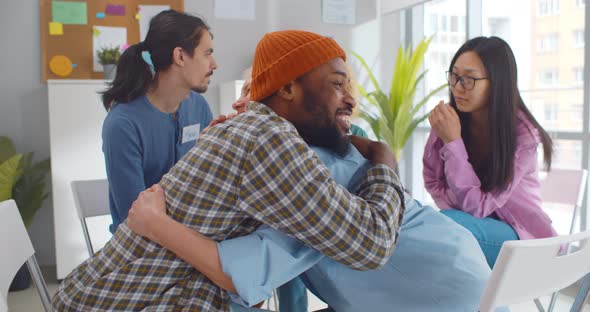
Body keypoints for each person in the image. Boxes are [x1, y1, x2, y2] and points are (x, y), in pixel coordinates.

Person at [52, 30, 405, 311]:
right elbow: (370, 244)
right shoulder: (269, 140)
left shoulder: (255, 129)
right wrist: (384, 160)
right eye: (337, 83)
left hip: (114, 292)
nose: (350, 98)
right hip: (123, 301)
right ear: (286, 88)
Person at [126, 69, 493, 312]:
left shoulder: (307, 170)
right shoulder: (339, 153)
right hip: (467, 280)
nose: (346, 98)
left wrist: (155, 223)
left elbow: (246, 271)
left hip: (439, 296)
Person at [423, 36, 557, 268]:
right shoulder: (452, 120)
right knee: (434, 227)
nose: (457, 87)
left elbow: (479, 206)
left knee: (447, 227)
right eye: (454, 76)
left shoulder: (523, 136)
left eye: (470, 79)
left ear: (497, 82)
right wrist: (463, 203)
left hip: (522, 238)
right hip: (473, 227)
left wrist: (453, 142)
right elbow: (433, 182)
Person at [101, 10, 215, 232]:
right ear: (180, 56)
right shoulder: (122, 124)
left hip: (191, 232)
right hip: (141, 244)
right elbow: (134, 217)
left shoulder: (199, 107)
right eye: (207, 54)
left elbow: (208, 182)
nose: (214, 64)